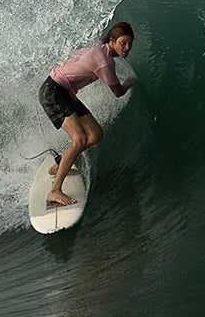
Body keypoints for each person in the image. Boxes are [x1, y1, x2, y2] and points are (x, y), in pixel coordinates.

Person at [38, 21, 136, 208]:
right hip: (54, 91)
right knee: (80, 138)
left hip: (64, 92)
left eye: (130, 43)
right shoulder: (105, 62)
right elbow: (118, 92)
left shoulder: (100, 45)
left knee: (95, 134)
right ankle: (55, 191)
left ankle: (59, 165)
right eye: (123, 43)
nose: (127, 47)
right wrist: (129, 83)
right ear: (112, 40)